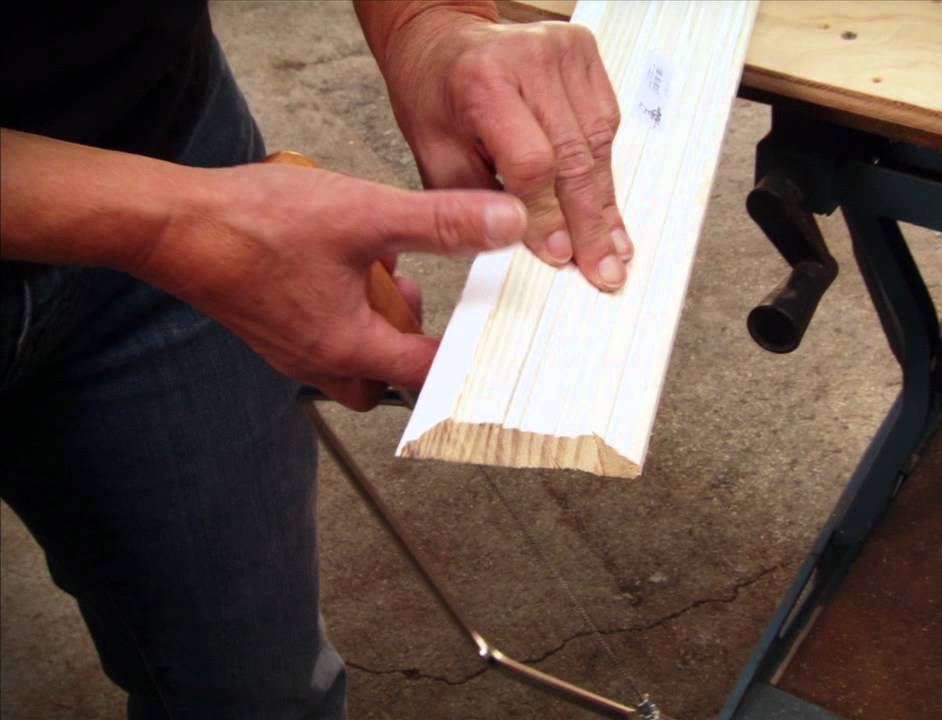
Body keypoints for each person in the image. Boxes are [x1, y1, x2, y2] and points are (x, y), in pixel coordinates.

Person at [0, 1, 630, 717]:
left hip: (165, 130)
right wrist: (170, 223)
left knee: (253, 691)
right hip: (181, 199)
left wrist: (427, 25)